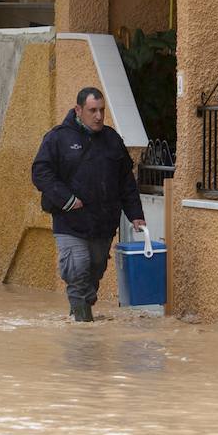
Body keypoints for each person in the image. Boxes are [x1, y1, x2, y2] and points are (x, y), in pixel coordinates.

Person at [31, 86, 146, 322]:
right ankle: (83, 327)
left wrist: (135, 214)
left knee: (94, 271)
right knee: (78, 267)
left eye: (102, 110)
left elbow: (126, 181)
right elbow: (41, 173)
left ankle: (82, 309)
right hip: (70, 222)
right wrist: (67, 199)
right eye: (93, 110)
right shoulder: (58, 137)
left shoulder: (112, 139)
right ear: (78, 110)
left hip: (102, 224)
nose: (99, 116)